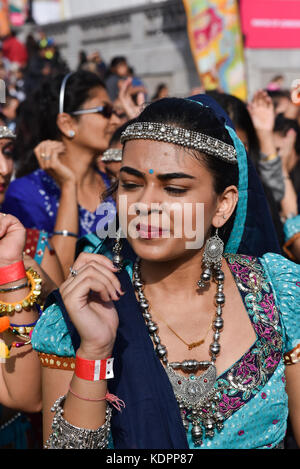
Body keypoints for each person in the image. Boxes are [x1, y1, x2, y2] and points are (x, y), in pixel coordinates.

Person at [31, 96, 299, 449]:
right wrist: (95, 352)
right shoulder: (77, 317)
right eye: (130, 184)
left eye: (174, 188)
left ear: (223, 205)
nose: (146, 204)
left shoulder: (279, 294)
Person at [2, 71, 120, 278]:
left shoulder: (111, 181)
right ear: (68, 123)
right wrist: (68, 186)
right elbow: (58, 282)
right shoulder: (24, 193)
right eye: (105, 111)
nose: (115, 121)